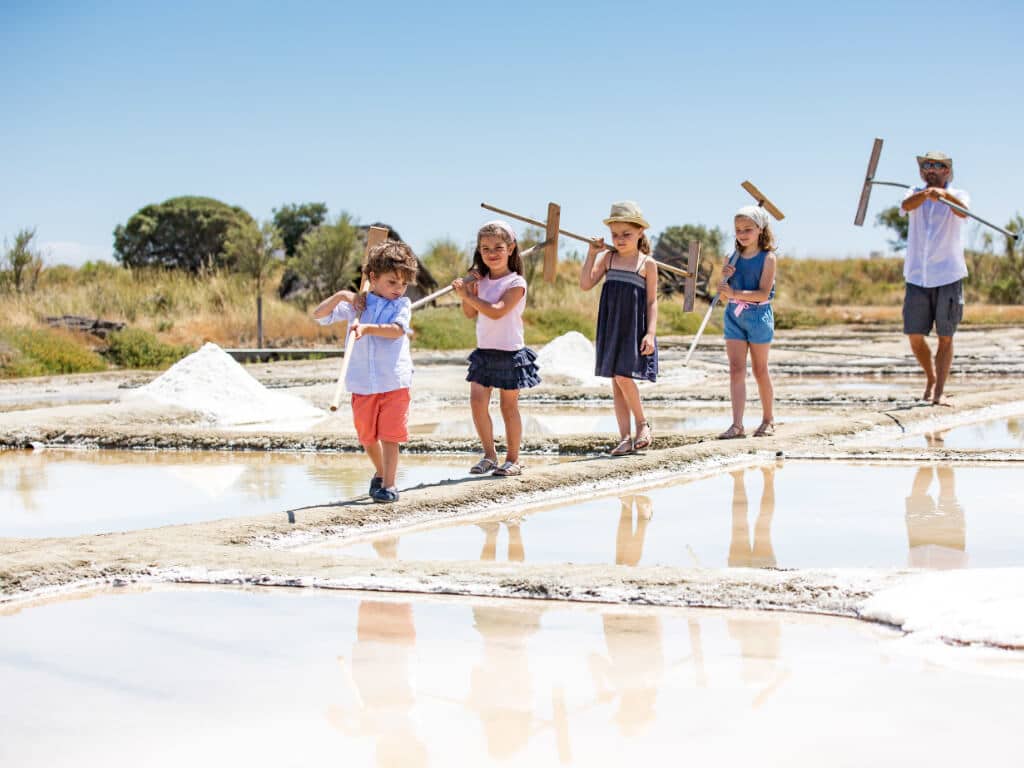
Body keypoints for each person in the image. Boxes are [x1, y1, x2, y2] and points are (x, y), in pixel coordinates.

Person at [312, 240, 418, 503]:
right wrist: (341, 296)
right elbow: (318, 314)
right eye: (392, 282)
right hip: (361, 382)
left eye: (403, 284)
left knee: (391, 435)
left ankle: (390, 485)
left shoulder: (400, 305)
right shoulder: (357, 305)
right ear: (373, 277)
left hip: (393, 381)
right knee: (367, 435)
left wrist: (368, 329)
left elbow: (395, 331)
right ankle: (381, 473)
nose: (398, 289)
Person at [452, 220, 540, 477]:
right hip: (485, 351)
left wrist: (469, 295)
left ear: (511, 249)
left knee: (508, 407)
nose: (492, 253)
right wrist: (468, 290)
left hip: (510, 352)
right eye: (485, 248)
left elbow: (497, 311)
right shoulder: (480, 281)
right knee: (477, 402)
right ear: (479, 252)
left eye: (498, 247)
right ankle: (489, 455)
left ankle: (513, 459)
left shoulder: (516, 283)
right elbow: (470, 313)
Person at [579, 201, 658, 456]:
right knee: (616, 383)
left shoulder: (647, 264)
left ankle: (643, 424)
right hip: (610, 325)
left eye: (627, 234)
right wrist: (592, 253)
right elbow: (586, 283)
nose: (620, 239)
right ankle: (625, 438)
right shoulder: (608, 258)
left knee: (624, 377)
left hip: (633, 326)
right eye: (616, 235)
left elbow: (652, 301)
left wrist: (651, 333)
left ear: (640, 233)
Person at [900, 151, 970, 405]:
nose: (930, 169)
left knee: (946, 335)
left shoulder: (959, 194)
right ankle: (930, 377)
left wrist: (944, 196)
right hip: (918, 275)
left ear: (947, 171)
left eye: (937, 166)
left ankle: (939, 391)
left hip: (948, 274)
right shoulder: (913, 192)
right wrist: (926, 195)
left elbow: (963, 212)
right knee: (914, 335)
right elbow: (906, 206)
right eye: (927, 165)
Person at [717, 206, 778, 439]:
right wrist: (724, 279)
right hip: (733, 317)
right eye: (738, 230)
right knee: (735, 370)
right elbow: (724, 295)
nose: (742, 234)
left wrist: (733, 292)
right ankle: (737, 424)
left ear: (760, 229)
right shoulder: (730, 258)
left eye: (747, 229)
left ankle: (768, 419)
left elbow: (763, 294)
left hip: (758, 317)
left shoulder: (768, 258)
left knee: (760, 370)